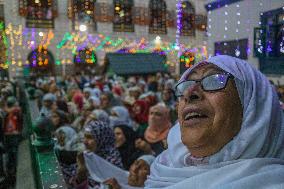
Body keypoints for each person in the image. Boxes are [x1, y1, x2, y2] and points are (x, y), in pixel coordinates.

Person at [145, 55, 284, 188]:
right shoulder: (163, 169)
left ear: (254, 107)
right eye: (186, 85)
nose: (189, 93)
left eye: (214, 80)